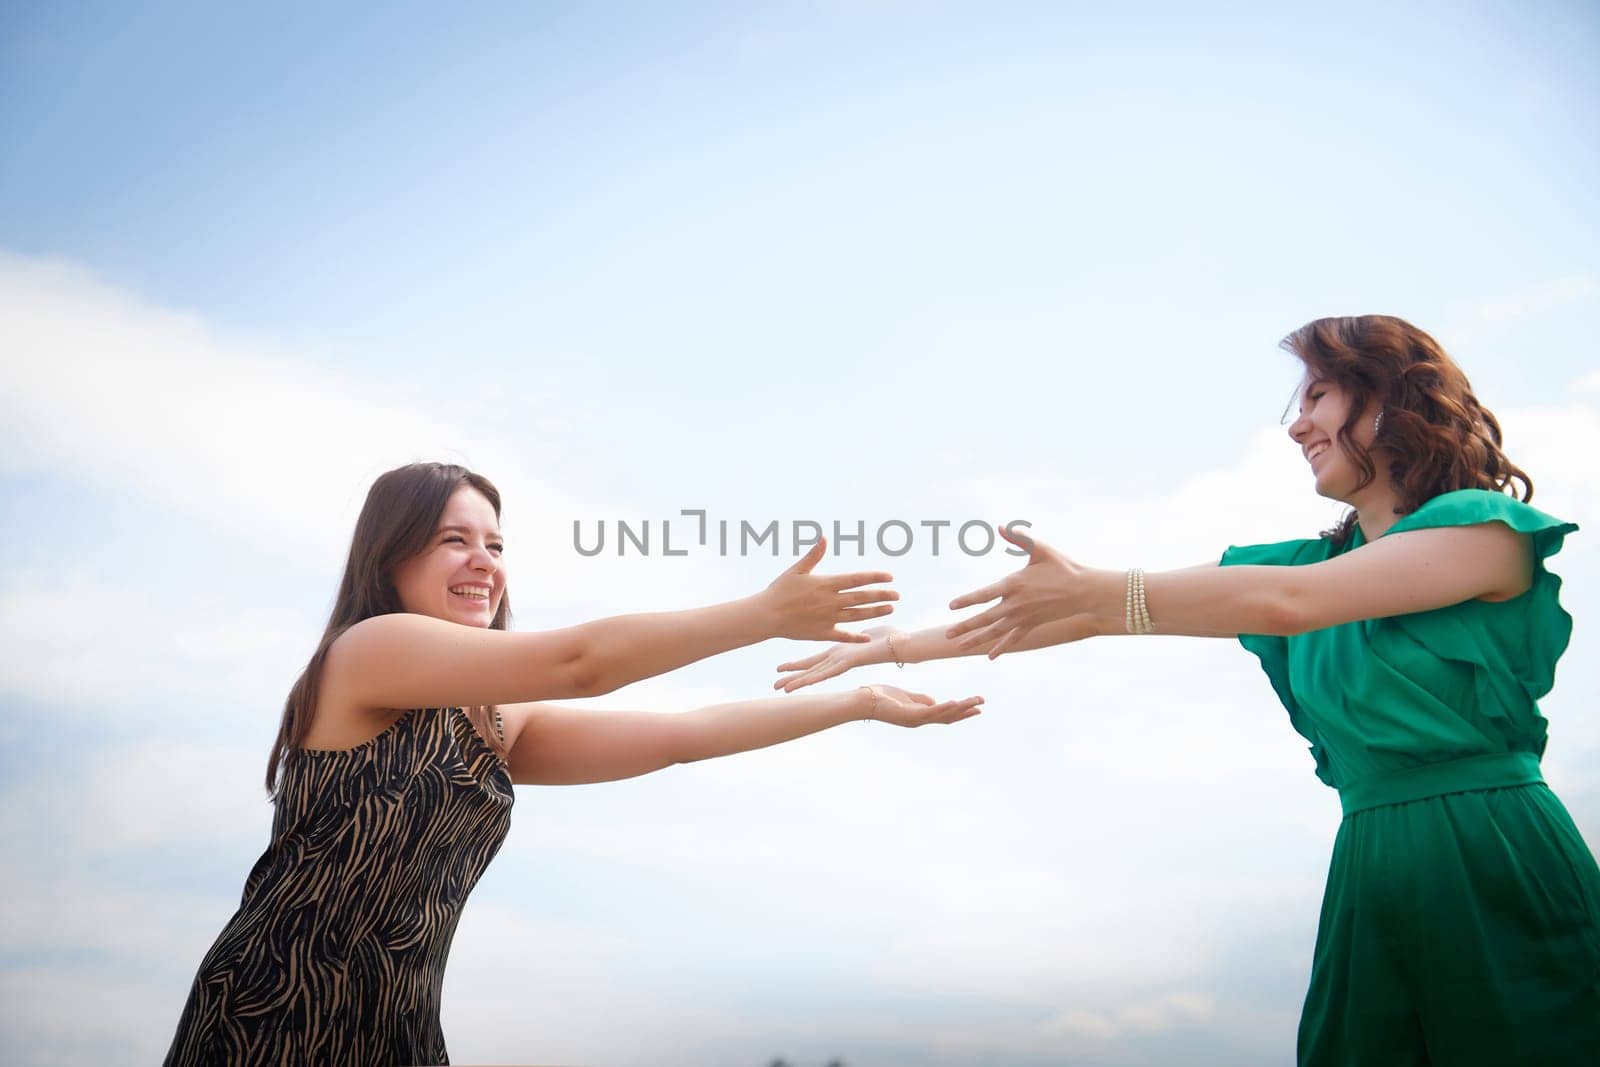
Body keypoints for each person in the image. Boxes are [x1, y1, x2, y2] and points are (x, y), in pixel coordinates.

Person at [776, 315, 1599, 1065]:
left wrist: (1109, 591)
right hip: (1371, 870)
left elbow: (1286, 607)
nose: (1297, 423)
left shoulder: (1485, 532)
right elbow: (1081, 617)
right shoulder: (1296, 565)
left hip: (1494, 852)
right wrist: (889, 646)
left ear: (1390, 397)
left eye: (1318, 394)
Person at [164, 461, 983, 1067]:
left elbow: (678, 737)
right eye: (454, 540)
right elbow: (582, 662)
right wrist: (763, 613)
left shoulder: (493, 717)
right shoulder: (368, 651)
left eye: (494, 542)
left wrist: (857, 702)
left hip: (398, 1028)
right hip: (274, 1009)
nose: (484, 560)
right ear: (391, 557)